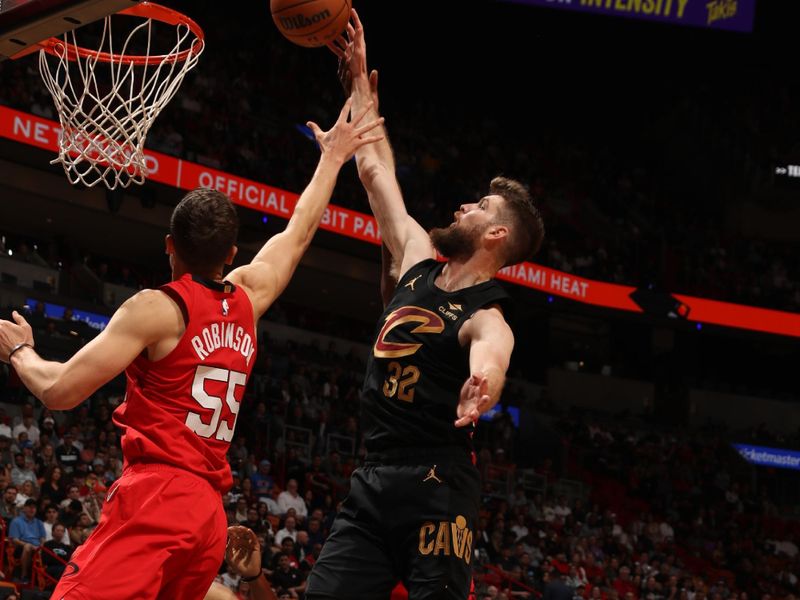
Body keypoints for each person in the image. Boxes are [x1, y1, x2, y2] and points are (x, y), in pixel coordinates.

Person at [0, 96, 383, 599]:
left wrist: (19, 352)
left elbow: (59, 391)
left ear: (168, 245)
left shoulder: (156, 309)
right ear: (230, 254)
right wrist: (332, 159)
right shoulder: (249, 299)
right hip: (207, 516)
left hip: (157, 496)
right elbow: (299, 231)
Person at [306, 10, 545, 600]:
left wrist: (482, 385)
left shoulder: (488, 313)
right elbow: (373, 168)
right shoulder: (417, 257)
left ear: (496, 238)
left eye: (481, 208)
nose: (466, 207)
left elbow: (494, 354)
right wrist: (358, 80)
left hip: (438, 482)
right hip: (373, 476)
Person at [9, 498, 46, 583]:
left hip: (37, 547)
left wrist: (40, 547)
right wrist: (29, 545)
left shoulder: (39, 523)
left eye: (34, 507)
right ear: (24, 508)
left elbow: (43, 538)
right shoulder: (16, 521)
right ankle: (23, 575)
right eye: (29, 507)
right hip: (20, 546)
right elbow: (15, 540)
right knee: (27, 547)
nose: (32, 509)